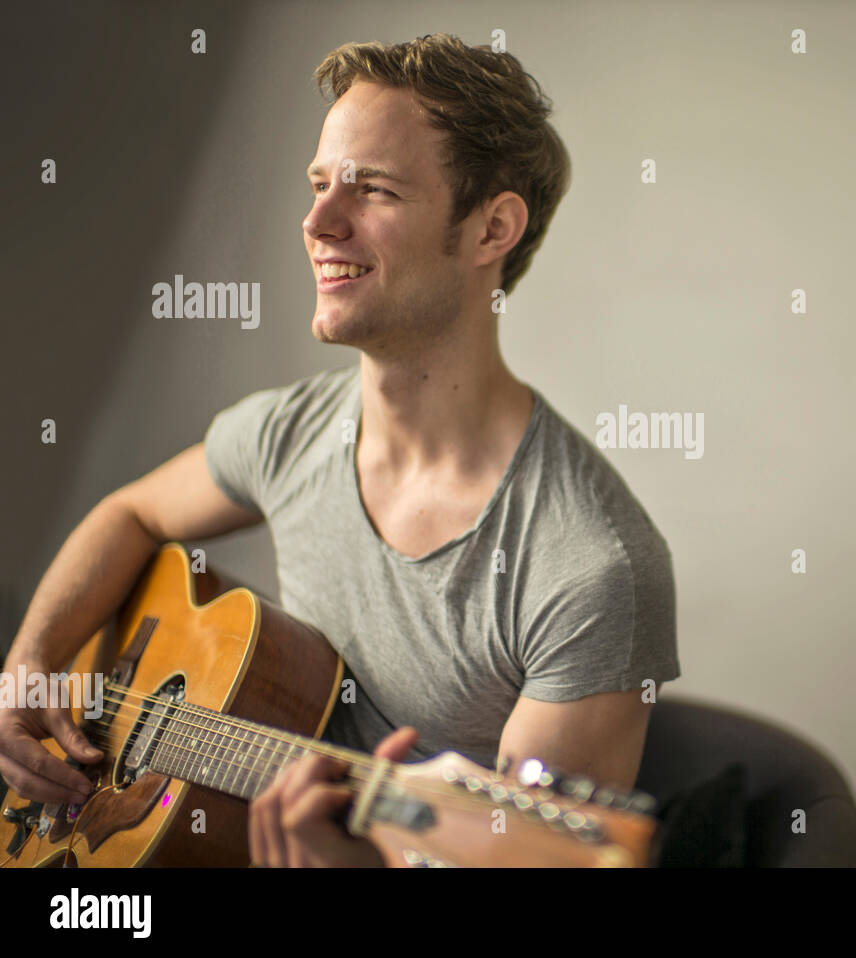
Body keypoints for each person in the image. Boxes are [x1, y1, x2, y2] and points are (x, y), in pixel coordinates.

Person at [0, 34, 680, 867]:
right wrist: (29, 672)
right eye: (320, 185)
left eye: (375, 191)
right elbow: (130, 512)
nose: (317, 222)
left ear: (492, 228)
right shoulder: (288, 430)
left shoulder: (589, 568)